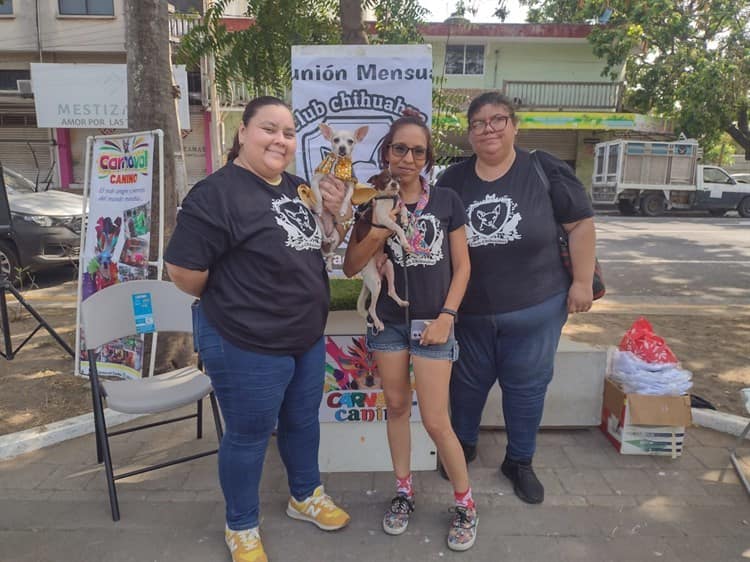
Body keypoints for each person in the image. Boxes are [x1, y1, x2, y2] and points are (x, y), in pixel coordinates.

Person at [165, 96, 352, 562]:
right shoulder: (216, 193)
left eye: (288, 133)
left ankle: (304, 496)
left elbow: (320, 244)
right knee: (248, 435)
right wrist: (235, 295)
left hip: (305, 336)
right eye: (269, 129)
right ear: (243, 132)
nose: (280, 140)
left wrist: (337, 213)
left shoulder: (295, 187)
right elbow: (184, 272)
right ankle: (242, 525)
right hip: (246, 341)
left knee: (303, 421)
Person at [436, 92, 596, 504]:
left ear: (514, 125)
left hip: (537, 309)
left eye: (497, 120)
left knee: (526, 388)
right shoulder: (452, 181)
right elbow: (433, 241)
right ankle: (464, 446)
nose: (488, 129)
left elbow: (580, 225)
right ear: (469, 134)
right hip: (469, 314)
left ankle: (519, 461)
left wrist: (581, 282)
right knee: (466, 387)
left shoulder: (543, 169)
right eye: (478, 123)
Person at [341, 112, 477, 551]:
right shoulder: (372, 203)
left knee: (437, 421)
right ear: (387, 152)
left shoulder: (448, 201)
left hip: (434, 324)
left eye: (418, 150)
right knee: (397, 408)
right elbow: (350, 267)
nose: (409, 158)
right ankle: (403, 493)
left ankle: (466, 503)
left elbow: (463, 267)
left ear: (428, 158)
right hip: (388, 324)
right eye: (400, 148)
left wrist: (447, 316)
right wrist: (379, 228)